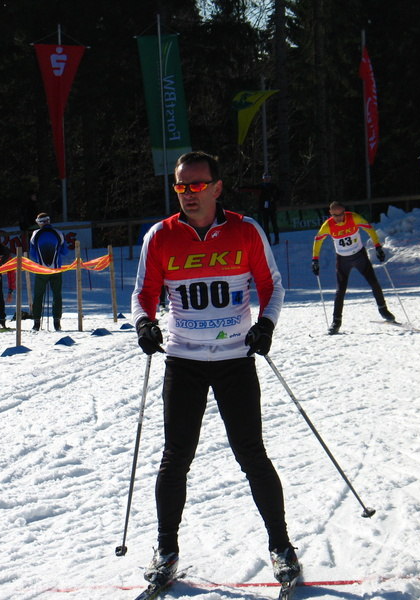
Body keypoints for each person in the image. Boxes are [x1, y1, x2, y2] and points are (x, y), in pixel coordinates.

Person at [131, 151, 300, 588]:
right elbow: (143, 293)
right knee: (175, 458)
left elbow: (271, 285)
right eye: (181, 186)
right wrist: (145, 324)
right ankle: (166, 550)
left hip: (233, 360)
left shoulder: (245, 230)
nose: (188, 193)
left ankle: (281, 546)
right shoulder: (161, 236)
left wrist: (266, 325)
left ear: (217, 187)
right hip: (184, 360)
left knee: (251, 454)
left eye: (197, 185)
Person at [312, 201, 395, 334]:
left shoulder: (354, 218)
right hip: (343, 260)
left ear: (344, 211)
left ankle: (383, 310)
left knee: (374, 282)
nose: (339, 218)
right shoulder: (327, 225)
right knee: (340, 290)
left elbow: (369, 229)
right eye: (335, 215)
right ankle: (336, 322)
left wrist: (378, 247)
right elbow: (318, 241)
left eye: (341, 214)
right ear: (330, 213)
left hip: (359, 256)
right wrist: (315, 260)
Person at [29, 213, 68, 331]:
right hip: (56, 269)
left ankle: (36, 323)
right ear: (48, 221)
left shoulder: (35, 234)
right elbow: (65, 251)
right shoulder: (58, 233)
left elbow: (33, 253)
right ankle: (57, 322)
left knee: (38, 296)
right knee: (57, 295)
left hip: (41, 270)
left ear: (39, 223)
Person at [239, 174, 280, 245]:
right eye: (265, 178)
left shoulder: (273, 186)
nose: (267, 179)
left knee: (274, 224)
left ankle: (277, 239)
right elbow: (251, 188)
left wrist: (274, 199)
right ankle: (268, 239)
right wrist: (241, 188)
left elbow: (280, 194)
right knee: (265, 225)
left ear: (270, 178)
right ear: (263, 179)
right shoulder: (261, 186)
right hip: (264, 209)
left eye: (268, 178)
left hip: (272, 208)